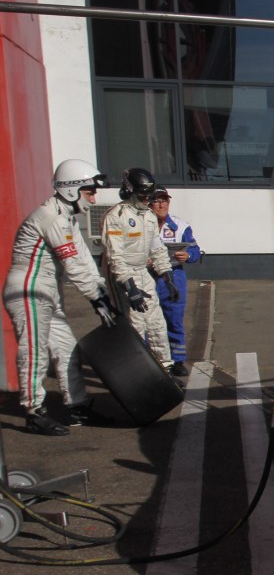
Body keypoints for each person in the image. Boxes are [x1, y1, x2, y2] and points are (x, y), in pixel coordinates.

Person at [3, 159, 117, 435]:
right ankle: (34, 412)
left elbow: (83, 259)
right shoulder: (52, 217)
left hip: (45, 288)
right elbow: (73, 265)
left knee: (68, 350)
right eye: (90, 191)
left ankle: (77, 407)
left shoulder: (65, 216)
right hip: (28, 289)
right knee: (34, 351)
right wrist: (95, 298)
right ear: (71, 190)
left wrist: (100, 292)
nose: (93, 197)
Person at [101, 167, 179, 372]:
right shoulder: (116, 215)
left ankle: (165, 368)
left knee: (156, 323)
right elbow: (114, 255)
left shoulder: (149, 216)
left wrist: (167, 275)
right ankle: (135, 370)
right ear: (129, 191)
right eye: (142, 195)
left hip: (142, 271)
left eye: (148, 196)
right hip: (121, 272)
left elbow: (157, 248)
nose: (146, 200)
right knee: (135, 323)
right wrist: (129, 285)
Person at [149, 187, 202, 377]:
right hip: (147, 277)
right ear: (149, 203)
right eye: (157, 200)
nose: (162, 204)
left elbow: (196, 252)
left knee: (174, 322)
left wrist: (187, 254)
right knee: (148, 322)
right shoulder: (141, 225)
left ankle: (178, 361)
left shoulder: (180, 226)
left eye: (165, 200)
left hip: (173, 278)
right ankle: (151, 360)